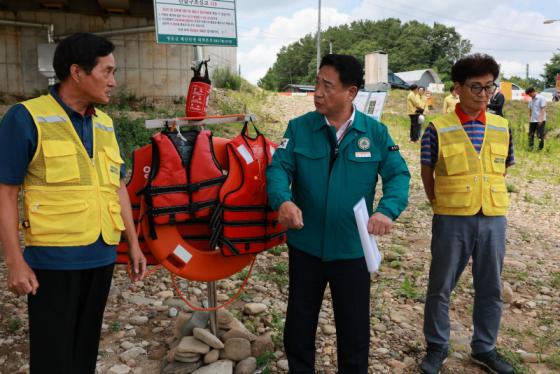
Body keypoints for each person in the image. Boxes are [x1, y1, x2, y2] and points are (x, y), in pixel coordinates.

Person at [0, 33, 146, 373]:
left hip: (101, 256)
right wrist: (15, 261)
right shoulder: (26, 118)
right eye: (107, 72)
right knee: (53, 357)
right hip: (53, 261)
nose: (113, 81)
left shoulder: (106, 124)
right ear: (77, 72)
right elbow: (6, 193)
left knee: (84, 353)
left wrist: (134, 244)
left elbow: (117, 187)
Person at [266, 54, 410, 373]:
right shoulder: (300, 128)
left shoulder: (375, 133)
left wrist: (387, 210)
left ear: (351, 92)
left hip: (352, 248)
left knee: (354, 329)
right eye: (317, 83)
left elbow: (398, 175)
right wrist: (283, 201)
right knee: (299, 324)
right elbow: (278, 169)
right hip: (305, 246)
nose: (317, 92)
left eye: (327, 86)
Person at [419, 53, 515, 374]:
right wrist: (441, 203)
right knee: (441, 285)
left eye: (490, 87)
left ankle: (484, 348)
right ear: (457, 88)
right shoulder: (437, 127)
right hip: (450, 218)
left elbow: (502, 170)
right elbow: (427, 171)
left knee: (490, 286)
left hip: (493, 218)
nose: (485, 95)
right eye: (477, 88)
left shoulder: (503, 127)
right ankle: (436, 345)